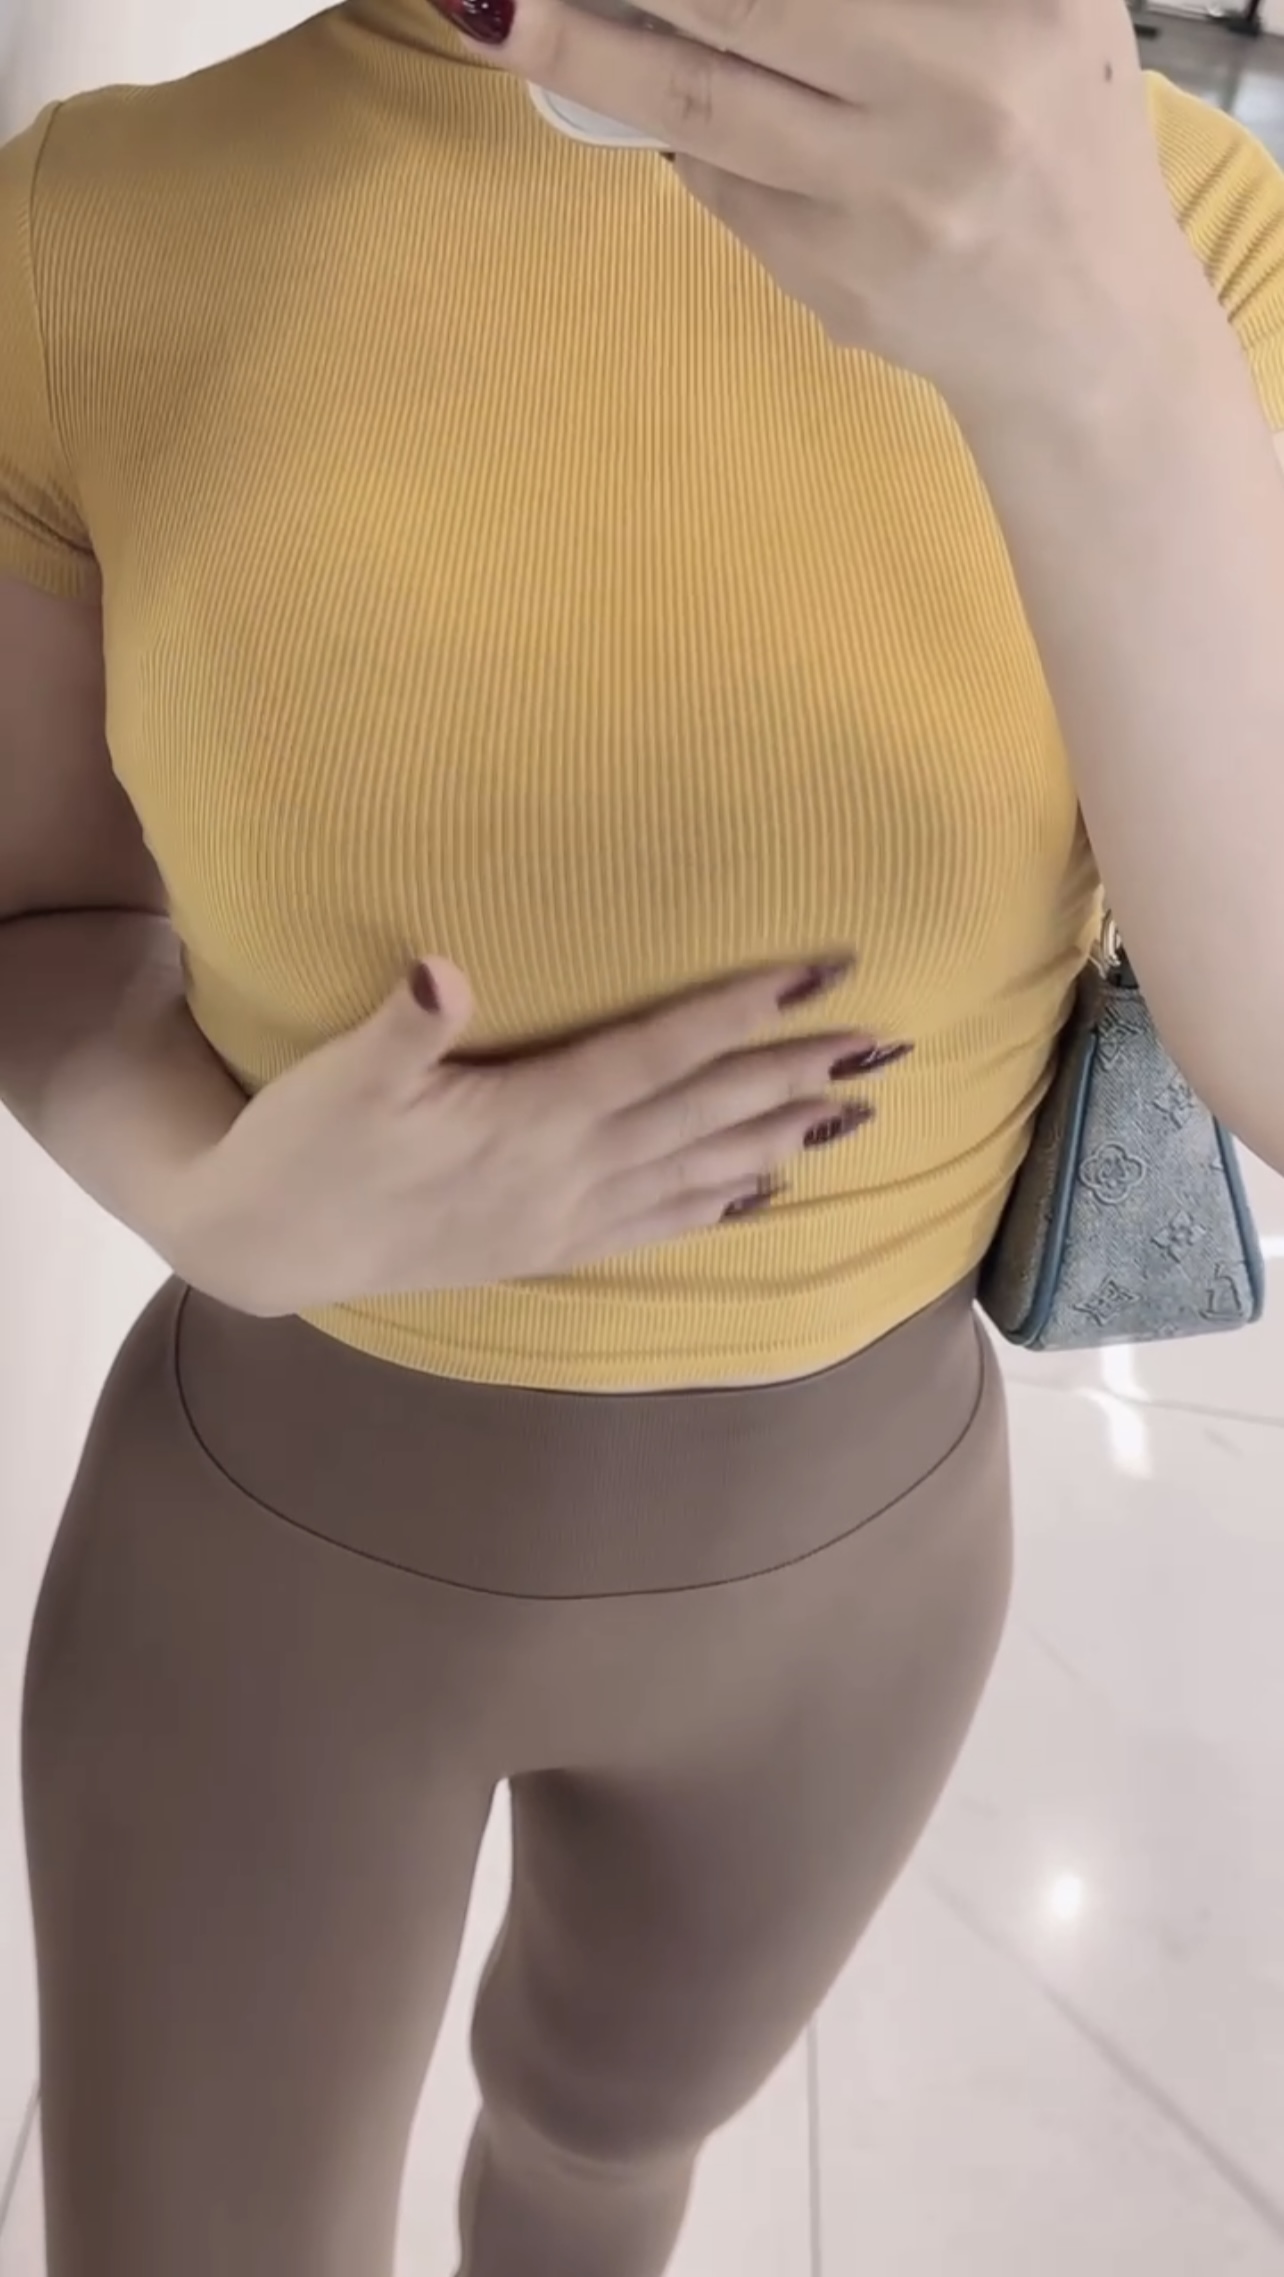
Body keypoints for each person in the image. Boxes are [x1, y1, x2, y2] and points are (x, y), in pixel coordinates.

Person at [3, 1, 1284, 2271]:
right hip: (273, 1562)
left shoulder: (1188, 233)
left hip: (852, 1598)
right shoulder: (87, 233)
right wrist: (218, 1203)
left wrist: (1102, 365)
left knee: (599, 2164)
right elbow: (46, 920)